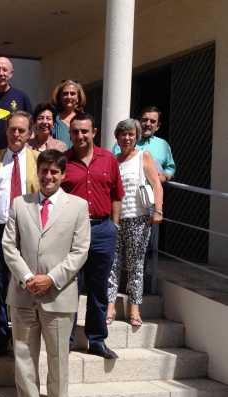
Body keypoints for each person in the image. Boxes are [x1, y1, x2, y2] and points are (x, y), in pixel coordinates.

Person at [3, 149, 90, 397]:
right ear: (37, 172)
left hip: (59, 294)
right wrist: (28, 277)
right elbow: (9, 246)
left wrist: (51, 279)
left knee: (57, 359)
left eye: (54, 172)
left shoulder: (78, 206)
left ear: (63, 175)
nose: (48, 176)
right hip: (23, 293)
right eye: (44, 170)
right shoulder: (20, 204)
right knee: (24, 357)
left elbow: (80, 252)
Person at [61, 112, 124, 359]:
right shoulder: (64, 160)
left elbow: (117, 195)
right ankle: (65, 338)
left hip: (102, 229)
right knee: (68, 287)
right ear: (70, 133)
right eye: (75, 131)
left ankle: (97, 340)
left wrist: (114, 227)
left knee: (99, 287)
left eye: (84, 131)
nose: (80, 136)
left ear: (94, 132)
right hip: (71, 232)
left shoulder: (108, 159)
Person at [0, 111, 39, 357]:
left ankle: (23, 339)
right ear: (6, 131)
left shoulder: (38, 159)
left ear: (30, 133)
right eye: (12, 129)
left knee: (24, 284)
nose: (16, 134)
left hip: (26, 231)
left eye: (21, 130)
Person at [107, 119, 163, 326]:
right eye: (123, 134)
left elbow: (157, 184)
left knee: (135, 266)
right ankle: (110, 306)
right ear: (117, 137)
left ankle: (134, 309)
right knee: (112, 264)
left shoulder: (143, 157)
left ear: (136, 136)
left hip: (138, 219)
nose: (127, 137)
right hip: (115, 219)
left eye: (131, 134)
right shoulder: (113, 160)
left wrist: (158, 210)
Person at [112, 106, 175, 182]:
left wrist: (164, 176)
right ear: (138, 122)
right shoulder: (125, 141)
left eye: (152, 121)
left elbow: (170, 168)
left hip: (151, 191)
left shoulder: (163, 145)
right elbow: (115, 164)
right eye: (145, 120)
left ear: (157, 126)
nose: (148, 124)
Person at [51, 79, 87, 149]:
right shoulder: (53, 119)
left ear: (78, 98)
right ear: (59, 97)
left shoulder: (84, 120)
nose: (69, 97)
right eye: (65, 94)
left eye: (73, 94)